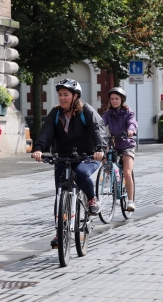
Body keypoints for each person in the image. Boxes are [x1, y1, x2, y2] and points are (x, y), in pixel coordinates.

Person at [31, 79, 107, 248]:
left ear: (75, 96)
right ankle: (60, 232)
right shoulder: (56, 113)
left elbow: (97, 128)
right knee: (60, 193)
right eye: (60, 94)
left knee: (80, 173)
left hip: (87, 156)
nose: (62, 98)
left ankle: (92, 199)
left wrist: (100, 149)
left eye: (66, 95)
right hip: (63, 157)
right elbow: (46, 131)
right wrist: (38, 148)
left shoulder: (86, 110)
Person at [102, 87, 137, 211]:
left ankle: (131, 201)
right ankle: (111, 176)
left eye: (117, 99)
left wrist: (131, 130)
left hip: (127, 144)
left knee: (127, 172)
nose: (114, 101)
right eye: (112, 99)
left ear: (122, 100)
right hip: (114, 143)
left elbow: (132, 122)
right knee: (102, 156)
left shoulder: (128, 113)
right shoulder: (108, 114)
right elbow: (101, 123)